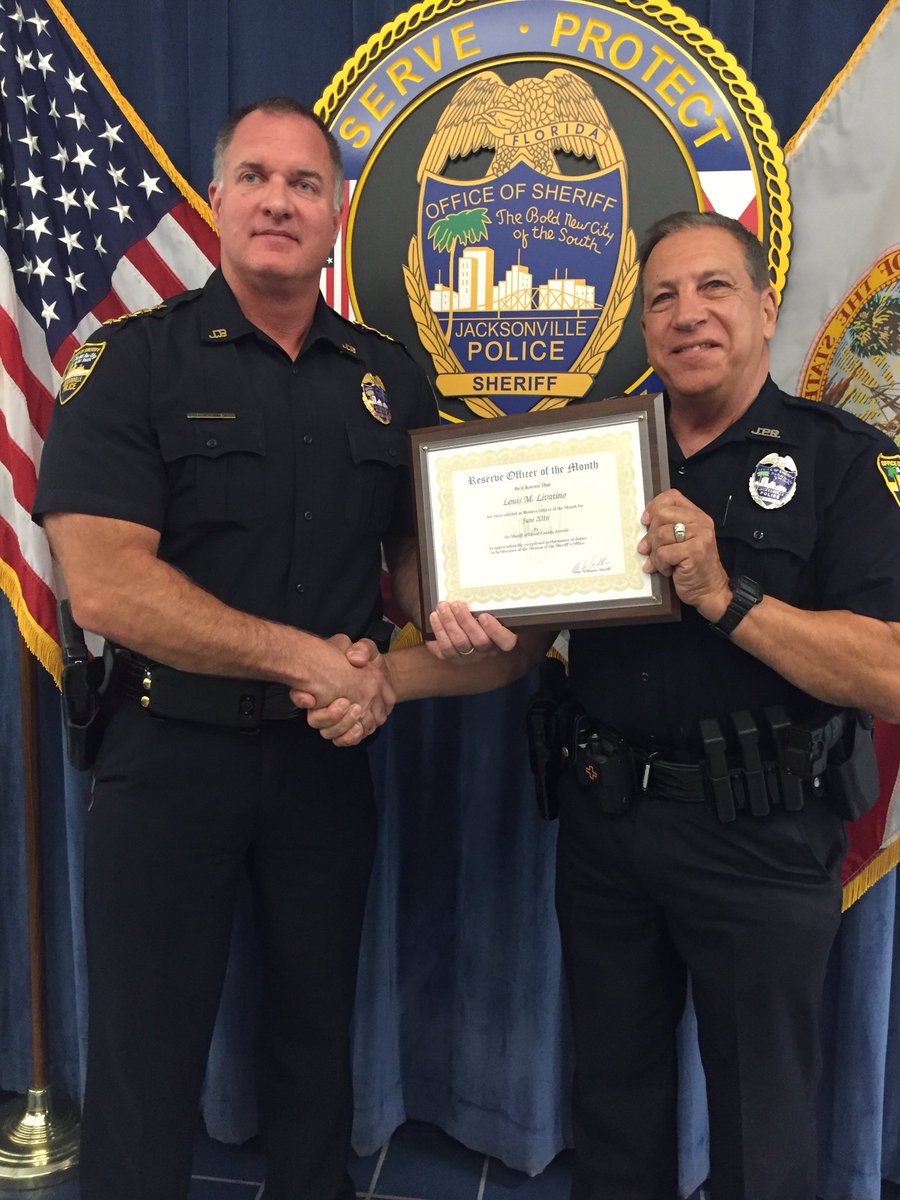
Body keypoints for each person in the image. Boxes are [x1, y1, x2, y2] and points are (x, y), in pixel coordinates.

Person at [307, 210, 900, 1200]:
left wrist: (726, 596)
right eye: (663, 297)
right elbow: (516, 649)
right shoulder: (595, 455)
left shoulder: (838, 461)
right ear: (642, 326)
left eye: (714, 288)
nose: (688, 313)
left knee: (763, 1130)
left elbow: (888, 673)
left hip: (760, 838)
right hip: (606, 825)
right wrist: (382, 678)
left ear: (765, 309)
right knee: (614, 1113)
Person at [32, 97, 437, 1200]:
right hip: (169, 754)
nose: (278, 201)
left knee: (317, 1044)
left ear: (337, 212)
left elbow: (420, 570)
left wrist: (478, 613)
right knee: (146, 1055)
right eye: (255, 176)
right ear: (217, 199)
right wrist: (308, 659)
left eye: (306, 184)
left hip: (325, 760)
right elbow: (107, 584)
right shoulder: (132, 363)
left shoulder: (388, 377)